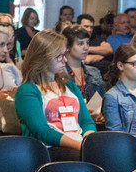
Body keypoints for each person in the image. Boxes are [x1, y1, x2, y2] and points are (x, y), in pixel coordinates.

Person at [15, 30, 96, 161]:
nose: (65, 59)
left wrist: (89, 141)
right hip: (48, 149)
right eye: (59, 56)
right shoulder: (27, 90)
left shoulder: (70, 86)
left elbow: (87, 122)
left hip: (78, 144)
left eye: (65, 54)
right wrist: (81, 146)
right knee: (87, 158)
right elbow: (42, 132)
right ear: (43, 57)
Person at [103, 44, 136, 147]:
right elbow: (117, 137)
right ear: (120, 65)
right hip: (132, 149)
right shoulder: (112, 96)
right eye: (135, 63)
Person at [62, 24, 105, 105]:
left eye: (87, 43)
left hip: (91, 116)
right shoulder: (59, 73)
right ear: (68, 47)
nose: (86, 47)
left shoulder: (94, 72)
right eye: (80, 44)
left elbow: (99, 105)